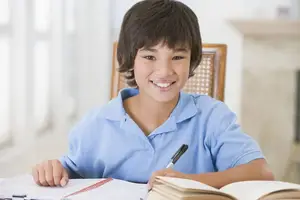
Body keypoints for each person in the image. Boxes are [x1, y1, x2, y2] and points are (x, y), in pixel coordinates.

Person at [32, 0, 274, 189]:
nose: (165, 71)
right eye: (149, 57)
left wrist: (190, 183)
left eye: (178, 57)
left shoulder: (212, 117)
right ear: (130, 60)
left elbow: (262, 173)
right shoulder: (96, 125)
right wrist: (52, 170)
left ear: (192, 62)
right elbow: (69, 172)